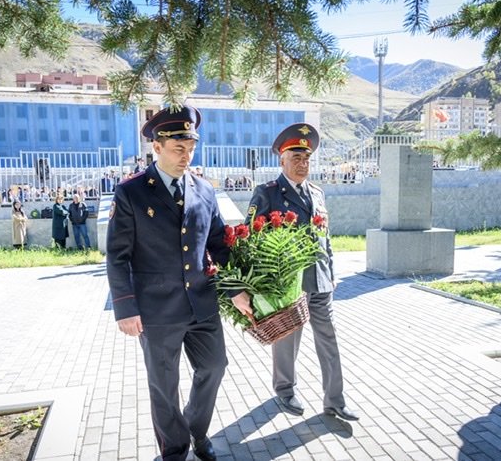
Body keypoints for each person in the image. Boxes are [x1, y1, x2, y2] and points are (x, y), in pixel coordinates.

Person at [106, 105, 246, 461]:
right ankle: (175, 448)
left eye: (191, 147)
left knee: (214, 367)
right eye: (178, 148)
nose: (187, 155)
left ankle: (195, 431)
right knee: (164, 386)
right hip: (156, 310)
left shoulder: (204, 190)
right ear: (157, 147)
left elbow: (217, 244)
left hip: (202, 303)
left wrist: (236, 289)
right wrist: (125, 307)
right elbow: (118, 256)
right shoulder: (132, 192)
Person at [239, 123, 359, 422]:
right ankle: (285, 389)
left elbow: (324, 236)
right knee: (287, 339)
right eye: (296, 158)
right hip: (287, 284)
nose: (302, 164)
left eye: (306, 159)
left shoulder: (317, 193)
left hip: (319, 281)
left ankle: (335, 400)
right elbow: (251, 239)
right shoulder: (266, 193)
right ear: (282, 160)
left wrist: (330, 272)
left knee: (328, 339)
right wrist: (261, 286)